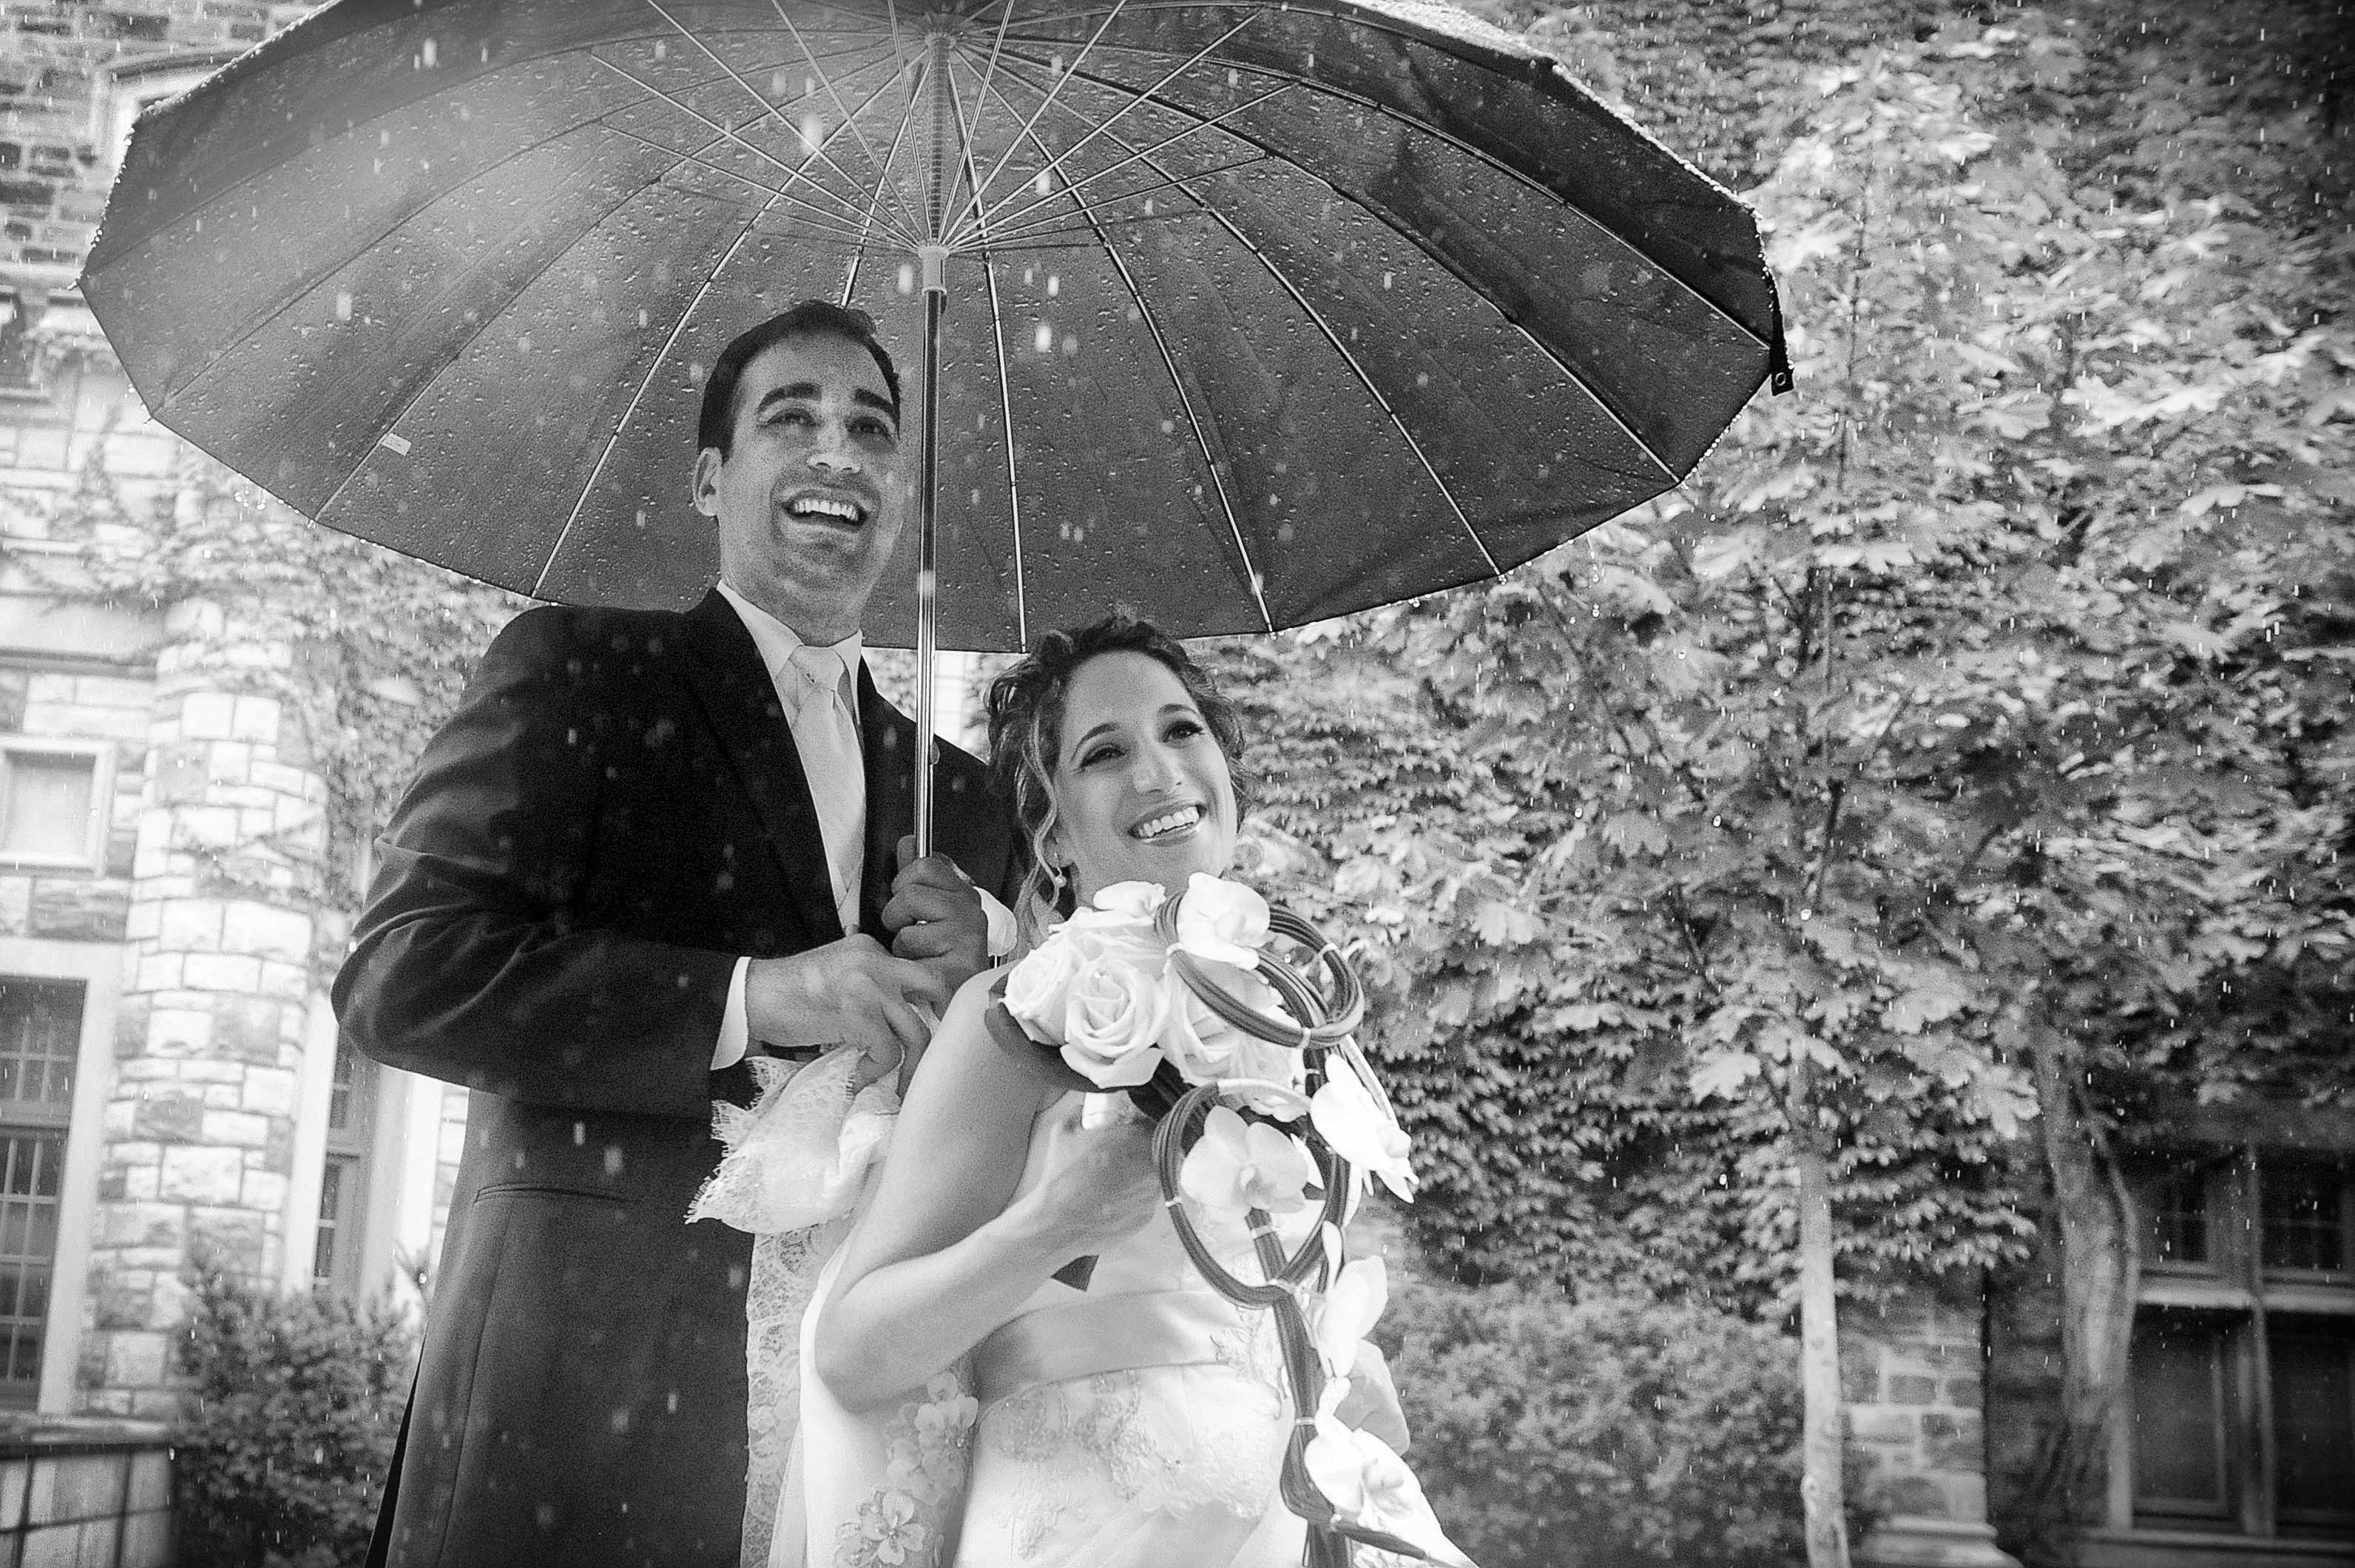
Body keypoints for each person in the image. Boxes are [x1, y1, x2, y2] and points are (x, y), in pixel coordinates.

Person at [335, 300, 1018, 1568]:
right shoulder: (582, 675)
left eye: (872, 429)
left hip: (860, 1443)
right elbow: (400, 974)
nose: (838, 453)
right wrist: (758, 997)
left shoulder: (963, 803)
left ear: (900, 497)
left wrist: (995, 979)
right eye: (792, 418)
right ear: (712, 477)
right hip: (582, 1414)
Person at [760, 615, 1403, 1567]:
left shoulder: (1301, 1012)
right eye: (1105, 752)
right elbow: (856, 1354)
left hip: (1303, 1521)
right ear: (1051, 830)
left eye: (1182, 730)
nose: (1160, 772)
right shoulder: (1011, 1022)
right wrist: (1055, 1224)